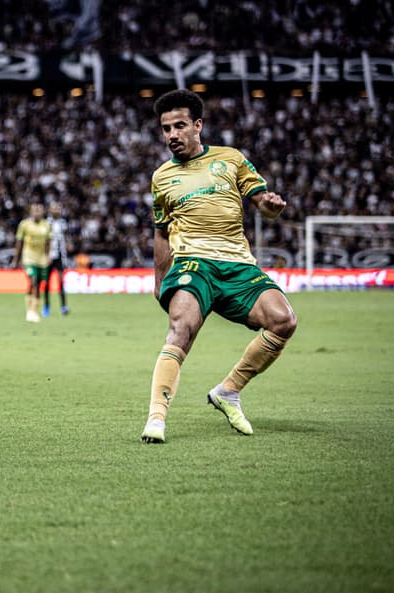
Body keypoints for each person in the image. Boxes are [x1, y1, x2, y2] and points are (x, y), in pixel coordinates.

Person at [140, 89, 298, 444]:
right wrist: (159, 279)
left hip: (238, 264)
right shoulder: (161, 177)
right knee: (181, 330)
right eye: (165, 129)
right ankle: (156, 418)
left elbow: (262, 201)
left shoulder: (231, 159)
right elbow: (162, 233)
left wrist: (272, 206)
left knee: (283, 320)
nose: (172, 135)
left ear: (198, 126)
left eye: (179, 126)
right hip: (193, 264)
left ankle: (228, 391)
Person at [12, 202, 51, 323]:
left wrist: (48, 255)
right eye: (35, 211)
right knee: (33, 281)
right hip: (28, 257)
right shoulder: (24, 224)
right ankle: (30, 311)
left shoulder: (47, 225)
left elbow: (48, 242)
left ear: (43, 212)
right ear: (31, 212)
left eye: (39, 211)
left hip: (41, 259)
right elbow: (19, 242)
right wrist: (16, 259)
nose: (37, 213)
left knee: (38, 284)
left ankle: (34, 309)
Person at [42, 201, 69, 317]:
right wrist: (46, 255)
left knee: (61, 281)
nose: (57, 210)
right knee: (47, 282)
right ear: (50, 210)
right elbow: (44, 241)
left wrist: (66, 255)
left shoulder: (63, 223)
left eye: (58, 208)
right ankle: (46, 306)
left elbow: (64, 240)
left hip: (60, 257)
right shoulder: (46, 223)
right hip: (48, 257)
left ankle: (63, 307)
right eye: (54, 208)